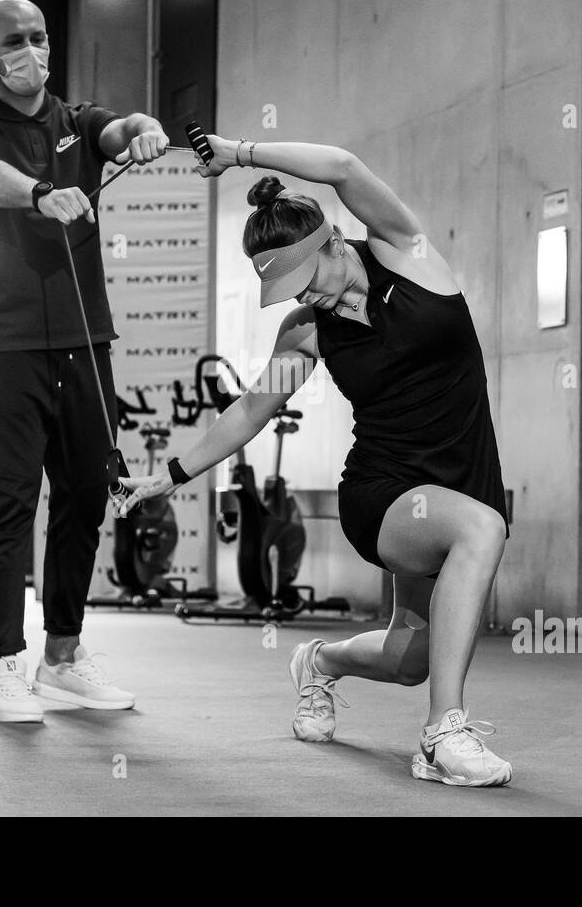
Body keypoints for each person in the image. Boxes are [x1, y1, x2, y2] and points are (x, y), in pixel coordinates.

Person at [117, 135, 514, 787]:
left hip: (463, 480)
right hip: (383, 494)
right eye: (290, 288)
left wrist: (238, 151)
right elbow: (250, 411)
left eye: (307, 278)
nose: (308, 296)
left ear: (332, 241)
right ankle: (444, 735)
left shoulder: (408, 257)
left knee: (410, 655)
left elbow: (344, 166)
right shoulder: (305, 328)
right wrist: (169, 475)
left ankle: (320, 663)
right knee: (482, 529)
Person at [0, 0, 169, 722]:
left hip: (87, 344)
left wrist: (145, 129)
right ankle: (2, 668)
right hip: (4, 348)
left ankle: (62, 657)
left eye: (38, 37)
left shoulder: (78, 122)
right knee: (7, 508)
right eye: (14, 40)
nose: (30, 49)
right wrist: (40, 194)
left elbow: (120, 128)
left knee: (85, 498)